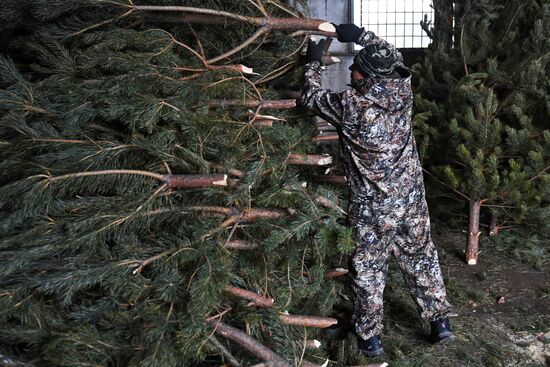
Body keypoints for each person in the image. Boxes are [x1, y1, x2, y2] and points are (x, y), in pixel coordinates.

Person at [300, 23, 454, 357]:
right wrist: (358, 36)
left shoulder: (353, 107)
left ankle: (370, 339)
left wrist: (312, 63)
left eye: (355, 70)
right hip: (411, 197)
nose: (351, 70)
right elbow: (392, 54)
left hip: (374, 208)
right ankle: (440, 322)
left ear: (365, 78)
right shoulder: (402, 87)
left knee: (369, 270)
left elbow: (310, 98)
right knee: (421, 256)